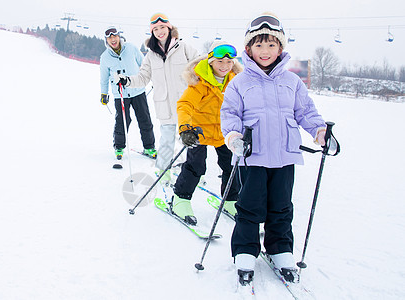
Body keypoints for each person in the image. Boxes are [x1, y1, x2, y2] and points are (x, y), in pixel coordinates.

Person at [220, 13, 328, 285]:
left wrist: (319, 131)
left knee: (281, 207)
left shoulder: (291, 82)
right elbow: (230, 114)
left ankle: (280, 249)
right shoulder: (239, 82)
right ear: (248, 49)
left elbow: (305, 111)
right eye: (259, 45)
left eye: (271, 45)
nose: (265, 51)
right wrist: (233, 136)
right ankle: (245, 250)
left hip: (284, 156)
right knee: (249, 207)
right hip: (252, 156)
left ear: (280, 48)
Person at [115, 13, 198, 182]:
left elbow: (200, 67)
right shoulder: (151, 55)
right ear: (152, 32)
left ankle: (190, 172)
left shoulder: (184, 48)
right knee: (167, 141)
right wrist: (127, 81)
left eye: (162, 27)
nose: (160, 32)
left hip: (186, 105)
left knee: (188, 142)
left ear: (169, 28)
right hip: (164, 105)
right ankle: (163, 171)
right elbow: (143, 77)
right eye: (156, 29)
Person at [172, 41, 243, 225]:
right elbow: (184, 105)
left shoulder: (235, 82)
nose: (225, 66)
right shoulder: (200, 82)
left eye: (229, 62)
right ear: (211, 61)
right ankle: (181, 199)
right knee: (196, 166)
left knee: (231, 166)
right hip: (199, 132)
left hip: (224, 133)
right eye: (220, 61)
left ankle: (230, 200)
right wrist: (185, 129)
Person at [100, 26, 157, 160]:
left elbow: (144, 66)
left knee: (144, 119)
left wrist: (153, 80)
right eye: (109, 38)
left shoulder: (131, 48)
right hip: (120, 94)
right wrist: (104, 94)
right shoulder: (105, 57)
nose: (113, 40)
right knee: (122, 120)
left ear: (119, 37)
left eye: (115, 36)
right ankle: (119, 147)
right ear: (106, 41)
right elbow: (104, 78)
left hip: (137, 90)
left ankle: (149, 147)